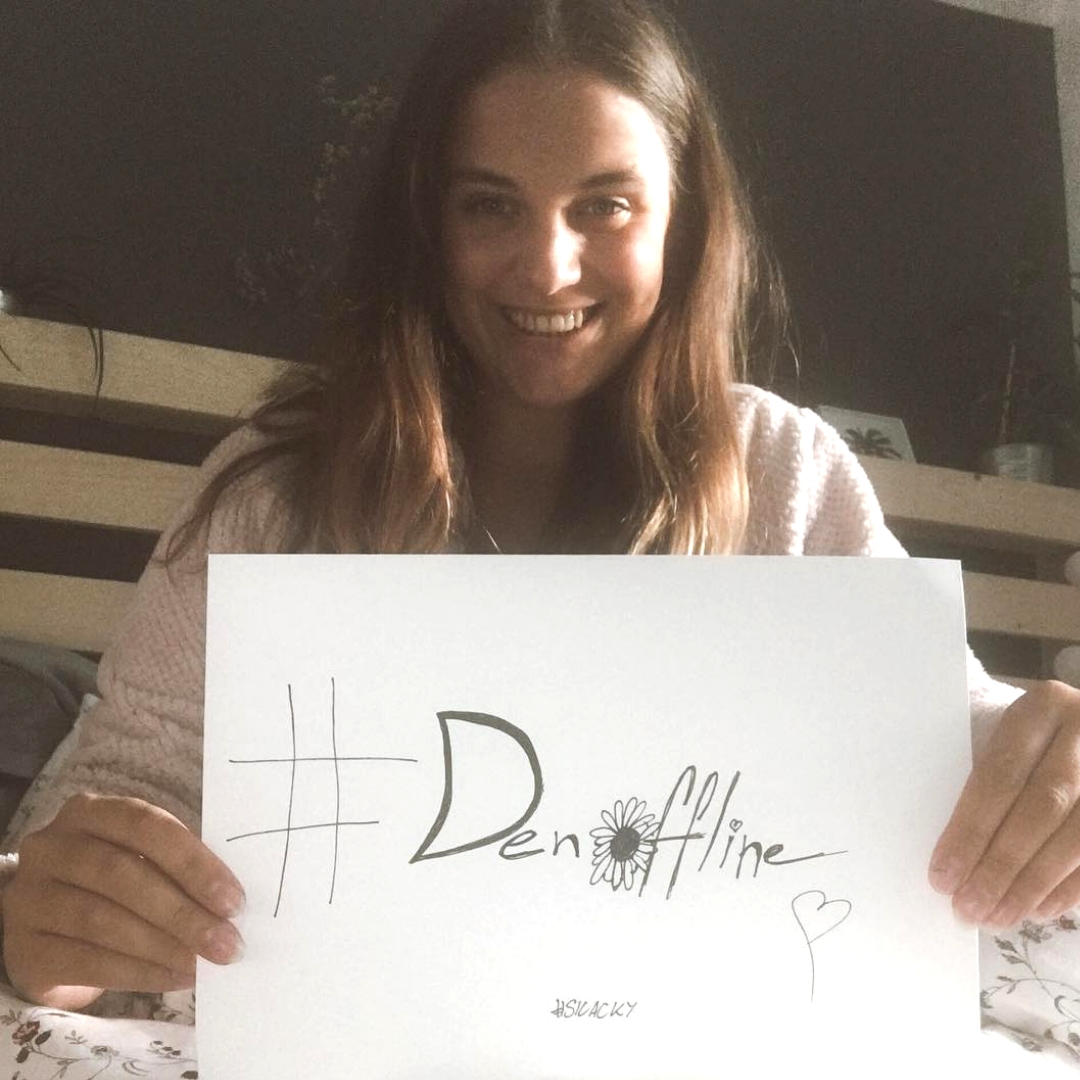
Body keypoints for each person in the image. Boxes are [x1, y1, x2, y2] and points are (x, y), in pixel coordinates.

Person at [2, 0, 1079, 1019]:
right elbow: (116, 791)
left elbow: (951, 729)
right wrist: (49, 916)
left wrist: (1043, 765)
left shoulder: (786, 473)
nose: (549, 267)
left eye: (606, 204)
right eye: (490, 204)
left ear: (683, 223)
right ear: (427, 223)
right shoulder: (274, 491)